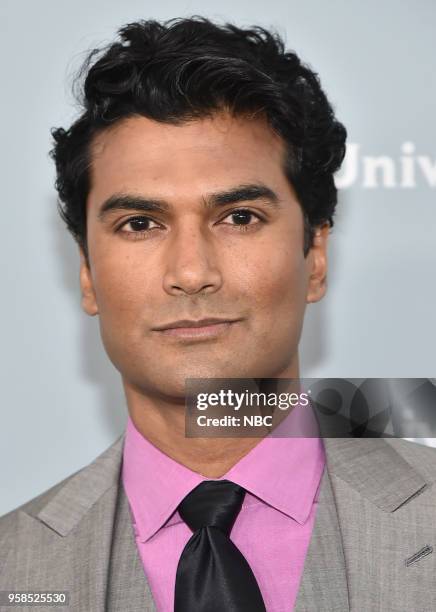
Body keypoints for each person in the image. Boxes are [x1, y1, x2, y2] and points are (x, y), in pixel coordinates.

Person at [1, 16, 436, 612]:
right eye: (139, 224)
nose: (190, 271)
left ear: (314, 256)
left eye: (239, 218)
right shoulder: (12, 567)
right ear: (87, 274)